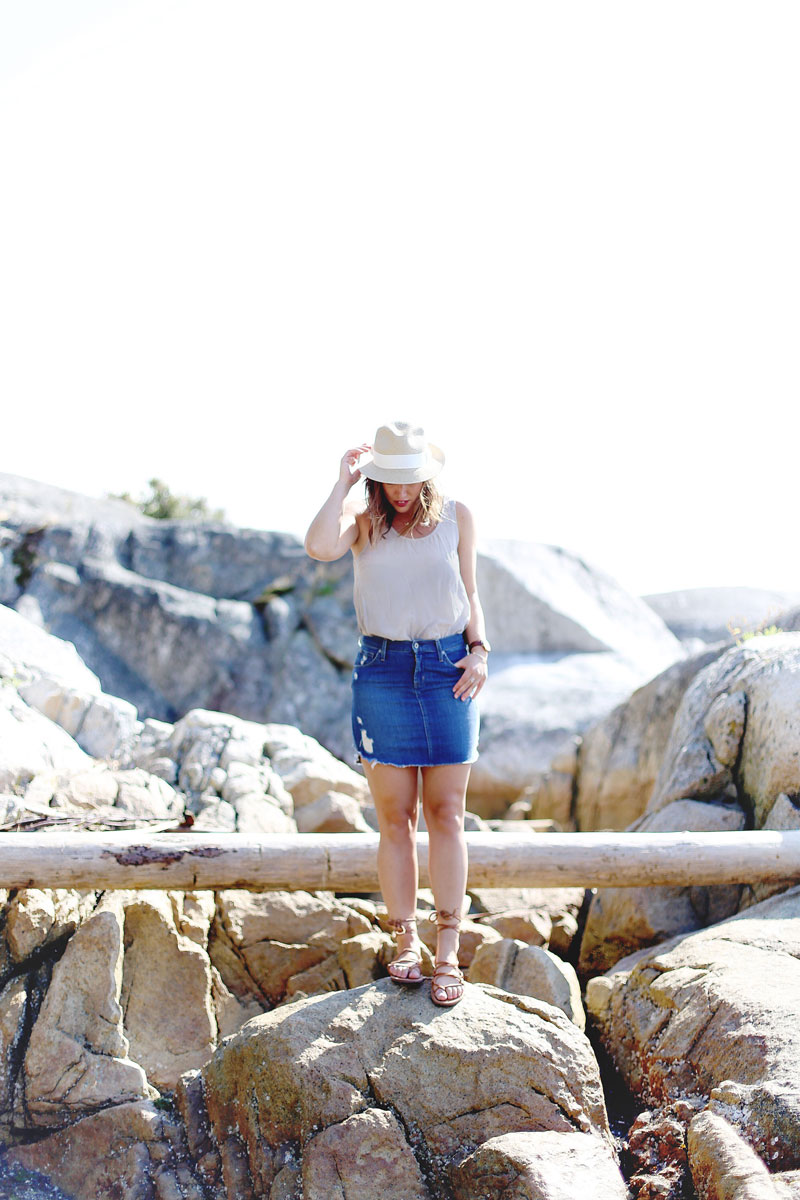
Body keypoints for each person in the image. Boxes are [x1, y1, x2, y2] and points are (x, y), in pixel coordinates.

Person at [304, 420, 490, 1007]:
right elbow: (317, 545)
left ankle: (448, 951)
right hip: (382, 671)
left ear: (426, 475)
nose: (402, 492)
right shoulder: (362, 523)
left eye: (410, 480)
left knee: (448, 814)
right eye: (390, 480)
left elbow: (471, 591)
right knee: (395, 820)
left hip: (447, 670)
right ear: (377, 478)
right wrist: (343, 482)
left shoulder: (459, 517)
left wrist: (480, 652)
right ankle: (405, 943)